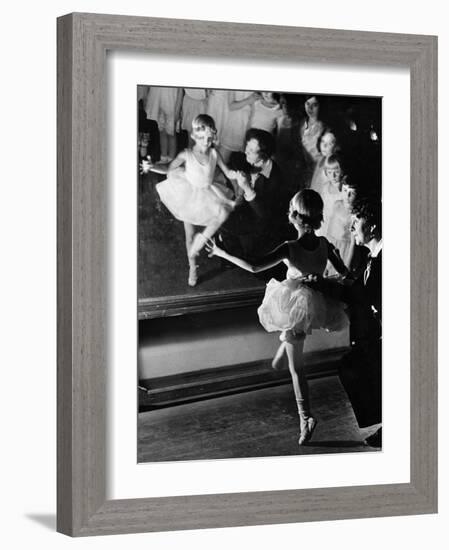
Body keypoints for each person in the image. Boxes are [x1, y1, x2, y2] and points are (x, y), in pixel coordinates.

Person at [207, 190, 350, 446]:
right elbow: (345, 274)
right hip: (312, 302)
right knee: (285, 350)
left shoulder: (290, 248)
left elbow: (253, 266)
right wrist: (322, 279)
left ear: (294, 217)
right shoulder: (325, 244)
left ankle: (305, 418)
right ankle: (278, 359)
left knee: (297, 369)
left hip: (297, 306)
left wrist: (221, 253)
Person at [305, 194, 382, 446]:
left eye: (355, 221)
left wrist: (324, 285)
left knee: (359, 366)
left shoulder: (385, 258)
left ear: (370, 225)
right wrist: (324, 284)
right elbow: (356, 287)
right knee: (355, 364)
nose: (351, 228)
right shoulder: (374, 257)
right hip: (378, 333)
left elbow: (359, 293)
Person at [141, 114, 238, 287]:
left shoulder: (214, 153)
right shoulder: (186, 154)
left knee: (221, 216)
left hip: (209, 192)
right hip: (189, 194)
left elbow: (227, 171)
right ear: (195, 136)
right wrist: (153, 166)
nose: (207, 142)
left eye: (210, 138)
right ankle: (192, 266)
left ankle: (206, 243)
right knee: (189, 235)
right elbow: (168, 168)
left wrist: (235, 175)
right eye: (203, 139)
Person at [217, 128, 290, 264]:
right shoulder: (245, 160)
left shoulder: (276, 179)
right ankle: (231, 252)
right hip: (244, 209)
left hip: (261, 222)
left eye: (251, 151)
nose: (246, 152)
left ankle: (238, 258)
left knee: (224, 221)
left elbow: (264, 215)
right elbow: (232, 171)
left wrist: (247, 188)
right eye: (247, 147)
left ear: (263, 155)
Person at [144, 86, 183, 164]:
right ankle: (163, 157)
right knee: (161, 131)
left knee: (171, 133)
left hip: (172, 102)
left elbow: (180, 91)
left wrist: (177, 109)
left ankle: (171, 160)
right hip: (158, 102)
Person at [310, 128, 339, 195]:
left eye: (329, 143)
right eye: (323, 141)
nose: (324, 146)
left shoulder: (336, 165)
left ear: (336, 146)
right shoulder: (321, 160)